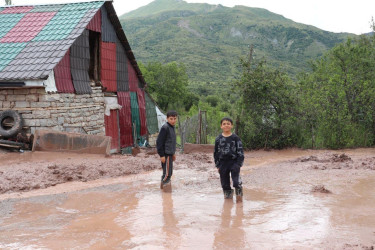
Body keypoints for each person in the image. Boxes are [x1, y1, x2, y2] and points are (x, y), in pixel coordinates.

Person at [214, 117, 244, 200]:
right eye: (224, 124)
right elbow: (216, 153)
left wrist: (238, 164)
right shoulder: (218, 139)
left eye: (228, 124)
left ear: (231, 126)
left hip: (234, 162)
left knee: (236, 182)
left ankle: (239, 201)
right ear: (221, 126)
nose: (226, 125)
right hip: (222, 163)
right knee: (225, 184)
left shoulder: (235, 138)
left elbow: (240, 152)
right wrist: (218, 165)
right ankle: (228, 201)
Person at [156, 110, 178, 189]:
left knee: (167, 172)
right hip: (166, 154)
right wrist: (161, 155)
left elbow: (171, 142)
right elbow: (159, 142)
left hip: (170, 154)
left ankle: (163, 190)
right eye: (171, 119)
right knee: (168, 174)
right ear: (167, 119)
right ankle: (166, 195)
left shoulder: (171, 127)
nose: (173, 120)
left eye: (175, 119)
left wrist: (173, 153)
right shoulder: (165, 128)